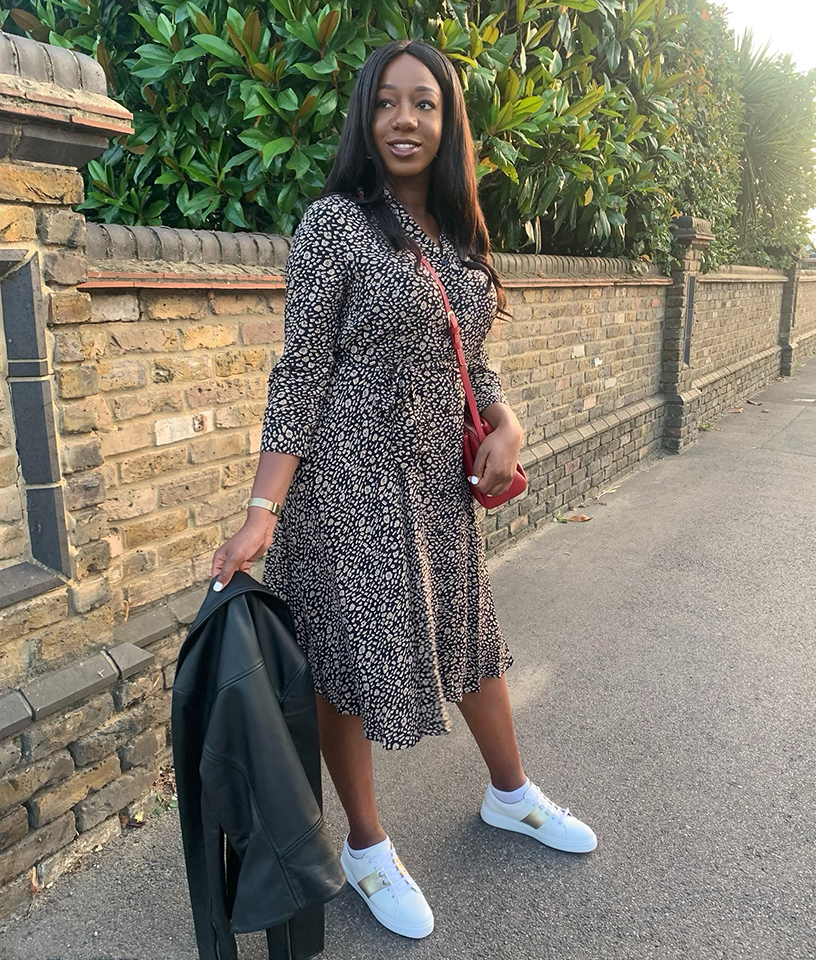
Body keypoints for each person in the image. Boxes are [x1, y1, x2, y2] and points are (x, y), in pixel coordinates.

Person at [210, 38, 597, 941]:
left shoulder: (457, 230)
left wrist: (509, 423)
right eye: (386, 102)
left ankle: (512, 794)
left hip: (436, 485)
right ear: (365, 117)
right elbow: (300, 371)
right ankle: (367, 846)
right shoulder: (333, 224)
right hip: (349, 488)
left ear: (448, 119)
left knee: (470, 638)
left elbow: (475, 359)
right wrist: (263, 511)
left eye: (424, 103)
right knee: (346, 663)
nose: (404, 120)